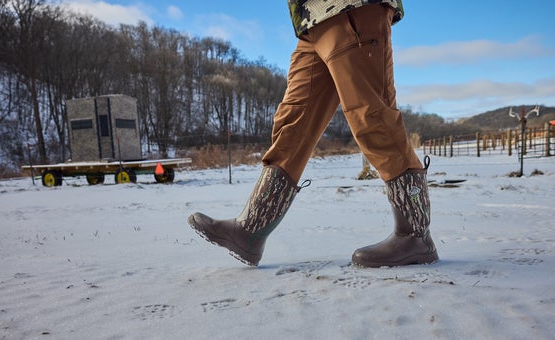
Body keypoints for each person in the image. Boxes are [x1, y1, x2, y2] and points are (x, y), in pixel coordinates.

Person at [188, 0, 438, 268]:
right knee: (292, 124)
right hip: (311, 21)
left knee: (372, 116)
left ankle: (415, 235)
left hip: (350, 8)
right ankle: (252, 229)